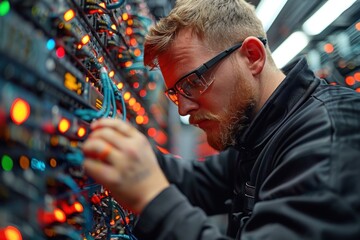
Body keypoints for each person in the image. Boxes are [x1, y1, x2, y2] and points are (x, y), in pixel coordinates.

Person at [82, 0, 360, 239]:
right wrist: (122, 149)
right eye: (176, 93)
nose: (182, 109)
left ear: (252, 57)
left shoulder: (328, 138)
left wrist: (153, 199)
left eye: (192, 82)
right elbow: (197, 183)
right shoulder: (260, 131)